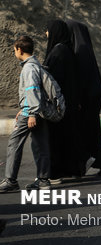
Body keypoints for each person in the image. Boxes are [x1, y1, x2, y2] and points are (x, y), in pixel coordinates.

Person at [0, 36, 51, 192]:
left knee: (14, 144)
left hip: (31, 113)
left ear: (19, 49)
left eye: (14, 50)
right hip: (36, 110)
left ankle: (10, 180)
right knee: (41, 144)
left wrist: (30, 114)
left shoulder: (28, 68)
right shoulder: (35, 65)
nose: (14, 52)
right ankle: (43, 180)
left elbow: (32, 90)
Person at [66, 19, 101, 175]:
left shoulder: (80, 50)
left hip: (86, 98)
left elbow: (81, 79)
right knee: (90, 131)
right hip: (92, 96)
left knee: (85, 131)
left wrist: (78, 99)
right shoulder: (84, 48)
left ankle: (99, 160)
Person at [44, 20, 89, 180]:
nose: (46, 34)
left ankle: (56, 173)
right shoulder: (67, 50)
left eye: (48, 30)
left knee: (58, 139)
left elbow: (53, 81)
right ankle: (74, 169)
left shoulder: (58, 52)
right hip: (69, 103)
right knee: (69, 137)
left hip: (60, 105)